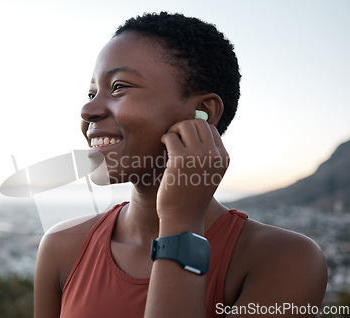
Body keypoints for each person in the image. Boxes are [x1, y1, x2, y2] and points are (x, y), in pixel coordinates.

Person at [34, 12, 327, 318]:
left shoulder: (284, 260)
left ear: (201, 112)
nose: (88, 109)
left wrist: (181, 220)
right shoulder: (61, 247)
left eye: (119, 87)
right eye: (92, 92)